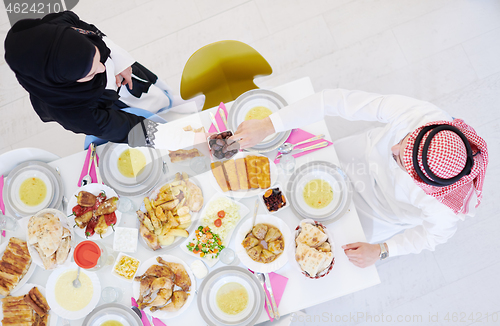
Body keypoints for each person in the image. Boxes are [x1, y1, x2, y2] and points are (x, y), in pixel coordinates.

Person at [232, 89, 488, 268]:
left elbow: (433, 237)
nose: (393, 150)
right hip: (358, 155)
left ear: (422, 184)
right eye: (402, 141)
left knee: (316, 248)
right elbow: (332, 101)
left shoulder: (443, 207)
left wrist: (383, 250)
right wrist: (270, 124)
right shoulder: (421, 115)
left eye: (400, 160)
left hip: (381, 213)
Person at [4, 11, 203, 145]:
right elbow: (123, 127)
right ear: (64, 82)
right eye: (90, 73)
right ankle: (165, 110)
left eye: (97, 56)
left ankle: (171, 103)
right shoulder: (73, 111)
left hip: (122, 74)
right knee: (138, 109)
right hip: (106, 101)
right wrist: (168, 138)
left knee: (150, 91)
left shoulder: (57, 27)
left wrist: (118, 58)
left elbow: (84, 26)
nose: (102, 68)